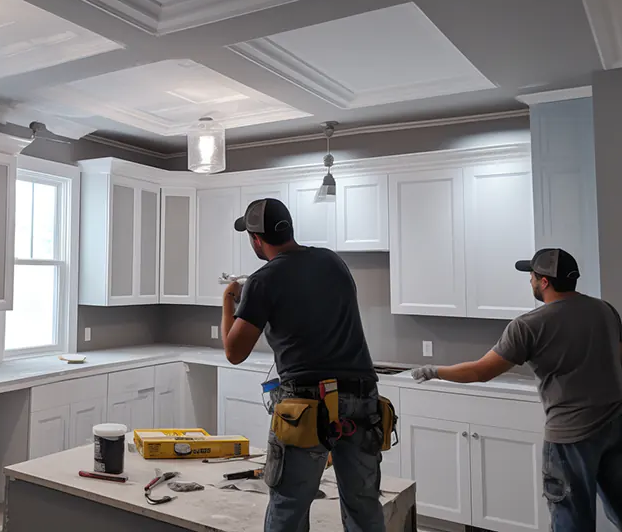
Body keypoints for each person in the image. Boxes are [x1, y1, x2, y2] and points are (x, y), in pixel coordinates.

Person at [411, 248, 622, 531]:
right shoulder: (605, 310)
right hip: (614, 426)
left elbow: (481, 371)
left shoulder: (530, 325)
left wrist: (435, 371)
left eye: (532, 276)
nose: (531, 281)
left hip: (570, 436)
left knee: (571, 518)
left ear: (544, 282)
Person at [221, 197, 384, 532]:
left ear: (256, 240)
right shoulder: (332, 262)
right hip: (362, 398)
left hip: (307, 405)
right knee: (363, 503)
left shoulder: (262, 281)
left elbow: (234, 352)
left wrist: (228, 302)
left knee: (290, 505)